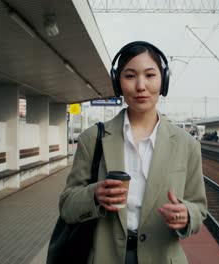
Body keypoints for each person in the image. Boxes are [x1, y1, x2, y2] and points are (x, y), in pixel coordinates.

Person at [59, 41, 207, 264]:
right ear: (117, 82)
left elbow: (199, 207)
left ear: (164, 80)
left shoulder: (187, 144)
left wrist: (187, 215)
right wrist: (94, 195)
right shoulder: (92, 139)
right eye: (130, 76)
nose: (140, 86)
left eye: (150, 75)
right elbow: (67, 205)